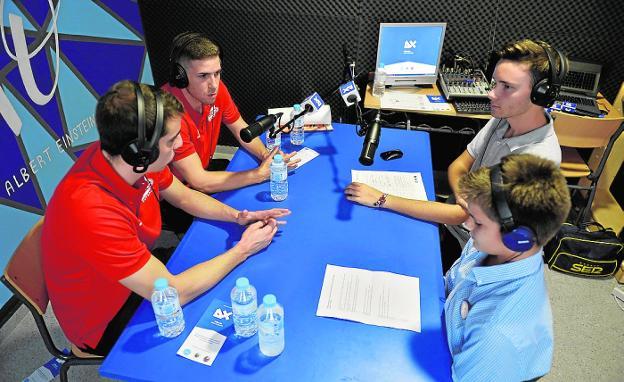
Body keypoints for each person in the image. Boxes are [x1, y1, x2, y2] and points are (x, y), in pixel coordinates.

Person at [41, 80, 290, 356]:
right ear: (140, 152)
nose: (182, 144)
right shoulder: (90, 210)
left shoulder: (129, 159)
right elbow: (174, 293)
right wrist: (243, 248)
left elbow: (183, 196)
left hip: (138, 271)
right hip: (105, 317)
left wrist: (239, 216)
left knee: (232, 276)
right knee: (222, 331)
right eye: (172, 140)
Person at [345, 39, 565, 252]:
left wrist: (383, 199)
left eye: (507, 87)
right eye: (495, 83)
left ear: (541, 94)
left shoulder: (537, 162)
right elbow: (459, 165)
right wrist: (464, 198)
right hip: (453, 223)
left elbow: (465, 216)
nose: (491, 94)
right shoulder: (504, 117)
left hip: (472, 248)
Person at [445, 153, 570, 381]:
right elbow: (452, 283)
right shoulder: (493, 247)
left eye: (478, 222)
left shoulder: (496, 335)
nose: (466, 224)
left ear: (517, 238)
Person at [161, 31, 299, 232]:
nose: (214, 85)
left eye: (217, 73)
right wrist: (259, 174)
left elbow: (240, 128)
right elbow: (199, 182)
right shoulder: (170, 114)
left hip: (201, 171)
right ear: (180, 77)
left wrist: (266, 156)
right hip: (175, 194)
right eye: (203, 76)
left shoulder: (214, 91)